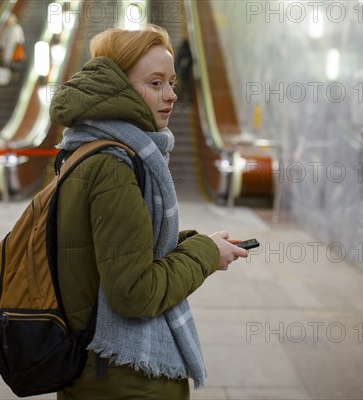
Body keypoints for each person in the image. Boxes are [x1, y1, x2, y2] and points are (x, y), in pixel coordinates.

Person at [49, 25, 248, 400]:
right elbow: (133, 293)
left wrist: (199, 244)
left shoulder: (86, 145)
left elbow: (110, 250)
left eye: (172, 82)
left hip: (96, 369)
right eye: (155, 83)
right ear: (117, 86)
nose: (171, 95)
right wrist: (206, 256)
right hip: (125, 375)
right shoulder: (115, 165)